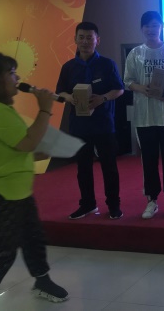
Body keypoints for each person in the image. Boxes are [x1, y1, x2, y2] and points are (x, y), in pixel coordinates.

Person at [0, 53, 68, 307]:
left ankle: (42, 280)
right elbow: (28, 142)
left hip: (15, 191)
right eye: (11, 73)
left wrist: (38, 152)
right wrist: (45, 108)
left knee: (32, 237)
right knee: (2, 253)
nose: (17, 78)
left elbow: (11, 148)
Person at [56, 22, 124, 220]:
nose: (85, 41)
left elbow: (119, 89)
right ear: (75, 39)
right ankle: (87, 204)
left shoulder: (107, 64)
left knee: (109, 167)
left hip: (104, 123)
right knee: (83, 167)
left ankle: (114, 205)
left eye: (89, 37)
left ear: (97, 40)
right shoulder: (68, 67)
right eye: (81, 37)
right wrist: (69, 98)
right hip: (79, 125)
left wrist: (103, 98)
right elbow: (60, 92)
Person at [124, 11, 164, 219]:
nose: (151, 29)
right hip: (145, 115)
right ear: (142, 28)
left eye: (155, 25)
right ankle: (152, 200)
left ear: (162, 27)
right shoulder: (135, 53)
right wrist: (142, 88)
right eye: (147, 26)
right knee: (148, 159)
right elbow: (127, 81)